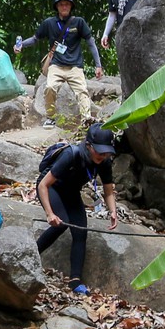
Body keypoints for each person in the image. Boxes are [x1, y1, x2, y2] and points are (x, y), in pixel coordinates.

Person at [34, 127, 123, 296]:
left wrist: (113, 211)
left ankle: (75, 280)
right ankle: (31, 255)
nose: (103, 156)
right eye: (100, 152)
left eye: (106, 153)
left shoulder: (104, 161)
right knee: (60, 224)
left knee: (81, 232)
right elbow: (43, 185)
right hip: (51, 187)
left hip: (71, 191)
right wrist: (49, 213)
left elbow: (108, 190)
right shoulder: (71, 154)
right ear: (89, 145)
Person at [14, 0, 98, 129]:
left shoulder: (78, 22)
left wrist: (98, 65)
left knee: (82, 91)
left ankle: (86, 119)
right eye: (61, 4)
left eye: (67, 4)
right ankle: (51, 117)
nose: (64, 7)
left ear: (71, 6)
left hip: (75, 66)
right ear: (57, 7)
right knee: (50, 88)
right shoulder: (49, 23)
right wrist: (21, 45)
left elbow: (90, 42)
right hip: (56, 65)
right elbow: (36, 38)